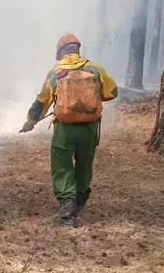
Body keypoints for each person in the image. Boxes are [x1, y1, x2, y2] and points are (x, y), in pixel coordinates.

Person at [20, 33, 118, 227]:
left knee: (62, 166)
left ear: (61, 53)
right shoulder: (95, 68)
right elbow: (112, 92)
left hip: (65, 130)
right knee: (84, 165)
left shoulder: (56, 72)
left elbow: (42, 100)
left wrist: (31, 121)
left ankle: (67, 211)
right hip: (89, 128)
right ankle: (79, 198)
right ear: (77, 50)